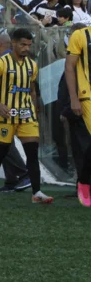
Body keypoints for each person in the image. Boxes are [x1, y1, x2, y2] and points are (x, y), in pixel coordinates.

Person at [0, 29, 53, 204]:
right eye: (23, 44)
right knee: (2, 151)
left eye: (29, 45)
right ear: (13, 43)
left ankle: (36, 192)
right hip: (5, 115)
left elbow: (32, 89)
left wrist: (35, 107)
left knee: (32, 152)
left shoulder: (32, 65)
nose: (26, 48)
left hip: (26, 114)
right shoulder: (1, 63)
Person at [64, 25, 91, 207]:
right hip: (87, 95)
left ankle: (84, 179)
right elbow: (69, 66)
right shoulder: (81, 34)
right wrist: (74, 98)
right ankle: (84, 181)